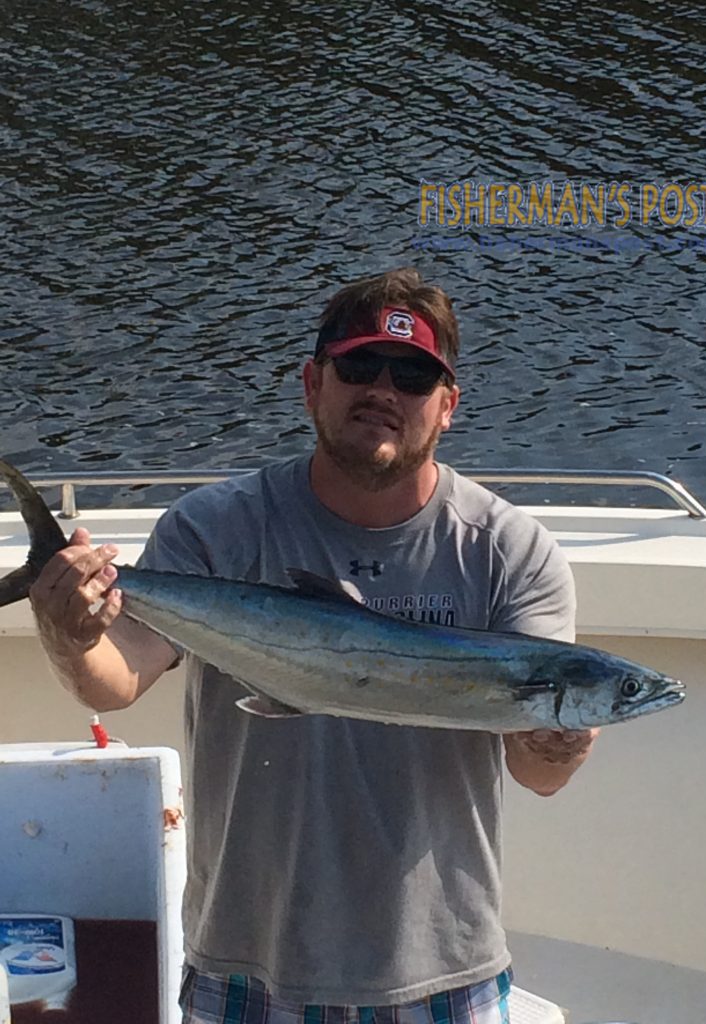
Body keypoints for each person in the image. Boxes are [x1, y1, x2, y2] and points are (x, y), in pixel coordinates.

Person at [29, 268, 598, 1024]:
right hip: (248, 962)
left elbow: (539, 773)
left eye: (414, 376)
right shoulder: (215, 527)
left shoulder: (507, 550)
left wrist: (563, 738)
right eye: (359, 366)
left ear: (448, 406)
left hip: (442, 969)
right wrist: (70, 631)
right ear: (311, 383)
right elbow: (116, 678)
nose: (384, 390)